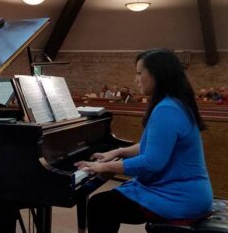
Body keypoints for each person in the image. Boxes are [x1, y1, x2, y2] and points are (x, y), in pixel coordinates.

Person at [75, 48, 213, 233]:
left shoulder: (166, 109)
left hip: (178, 197)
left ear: (157, 74)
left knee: (100, 205)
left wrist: (104, 167)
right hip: (185, 191)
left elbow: (151, 163)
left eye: (140, 73)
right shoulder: (174, 103)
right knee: (109, 201)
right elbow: (152, 147)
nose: (136, 79)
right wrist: (117, 152)